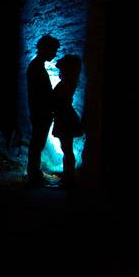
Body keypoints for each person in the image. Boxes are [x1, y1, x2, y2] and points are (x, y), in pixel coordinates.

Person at [26, 35, 59, 184]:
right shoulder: (36, 68)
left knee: (37, 142)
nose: (55, 54)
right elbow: (41, 94)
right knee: (37, 143)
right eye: (53, 50)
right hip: (40, 112)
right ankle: (33, 173)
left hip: (39, 111)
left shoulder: (36, 66)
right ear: (45, 49)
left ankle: (34, 171)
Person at [52, 55, 83, 186]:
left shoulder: (67, 83)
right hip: (65, 116)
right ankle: (68, 176)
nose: (60, 71)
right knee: (66, 148)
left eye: (63, 69)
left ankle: (69, 177)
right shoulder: (69, 82)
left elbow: (61, 101)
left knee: (67, 148)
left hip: (65, 117)